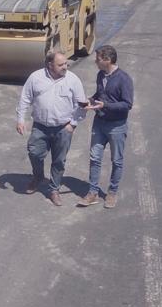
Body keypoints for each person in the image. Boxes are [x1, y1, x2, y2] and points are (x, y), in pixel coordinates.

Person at [16, 51, 88, 206]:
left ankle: (54, 189)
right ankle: (38, 177)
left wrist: (73, 123)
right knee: (34, 152)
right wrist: (20, 119)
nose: (65, 67)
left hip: (63, 128)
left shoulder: (72, 80)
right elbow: (25, 99)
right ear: (49, 65)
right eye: (61, 64)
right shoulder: (36, 78)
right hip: (40, 127)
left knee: (59, 160)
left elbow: (82, 105)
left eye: (66, 63)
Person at [77, 45, 134, 209]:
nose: (95, 61)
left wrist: (105, 105)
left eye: (98, 59)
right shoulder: (100, 74)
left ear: (108, 60)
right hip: (99, 123)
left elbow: (127, 104)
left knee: (117, 160)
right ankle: (92, 192)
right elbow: (100, 95)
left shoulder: (124, 79)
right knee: (94, 158)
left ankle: (112, 192)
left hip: (117, 126)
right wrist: (90, 100)